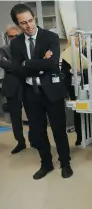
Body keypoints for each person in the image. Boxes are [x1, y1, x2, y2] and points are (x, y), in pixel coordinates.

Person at [10, 4, 73, 179]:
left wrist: (28, 63)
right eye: (23, 23)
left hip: (52, 91)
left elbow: (52, 64)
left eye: (31, 20)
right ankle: (46, 164)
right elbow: (17, 70)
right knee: (38, 131)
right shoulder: (16, 44)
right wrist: (40, 62)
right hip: (31, 92)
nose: (29, 26)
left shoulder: (50, 37)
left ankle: (65, 163)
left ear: (34, 18)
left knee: (59, 129)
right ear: (18, 24)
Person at [0, 24, 38, 154]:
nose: (13, 38)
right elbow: (4, 64)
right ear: (7, 37)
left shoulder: (27, 47)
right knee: (15, 118)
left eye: (15, 36)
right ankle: (20, 142)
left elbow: (32, 64)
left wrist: (16, 65)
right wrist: (21, 65)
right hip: (12, 88)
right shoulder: (4, 49)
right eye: (10, 36)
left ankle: (34, 140)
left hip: (28, 86)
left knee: (33, 116)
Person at [61, 27, 92, 146]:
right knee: (78, 111)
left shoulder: (88, 50)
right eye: (75, 36)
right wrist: (71, 70)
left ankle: (91, 134)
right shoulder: (67, 52)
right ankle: (80, 136)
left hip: (87, 84)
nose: (77, 38)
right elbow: (63, 72)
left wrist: (82, 70)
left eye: (79, 36)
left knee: (89, 109)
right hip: (73, 86)